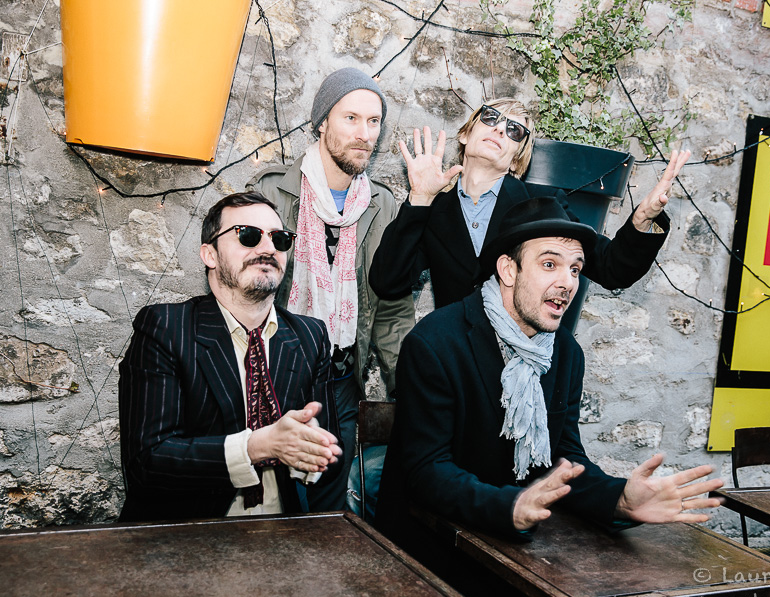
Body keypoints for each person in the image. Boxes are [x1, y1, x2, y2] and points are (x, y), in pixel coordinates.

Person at [375, 196, 723, 554]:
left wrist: (619, 500)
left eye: (575, 269)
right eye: (549, 264)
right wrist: (510, 506)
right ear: (508, 270)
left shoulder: (566, 353)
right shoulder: (435, 343)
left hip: (517, 548)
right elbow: (427, 471)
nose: (567, 282)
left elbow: (564, 458)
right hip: (429, 549)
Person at [247, 67, 415, 514]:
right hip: (274, 373)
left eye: (374, 121)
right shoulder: (272, 192)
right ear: (322, 122)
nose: (364, 134)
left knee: (330, 503)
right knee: (272, 500)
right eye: (351, 118)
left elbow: (391, 308)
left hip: (340, 379)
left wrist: (410, 390)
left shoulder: (381, 205)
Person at [119, 191, 343, 523]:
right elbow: (147, 463)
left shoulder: (310, 335)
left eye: (279, 239)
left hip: (281, 529)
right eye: (248, 235)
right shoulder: (166, 328)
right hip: (188, 532)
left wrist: (310, 449)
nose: (267, 248)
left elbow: (332, 460)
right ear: (209, 254)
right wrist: (258, 447)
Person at [369, 97, 690, 309]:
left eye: (515, 130)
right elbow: (388, 282)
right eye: (490, 117)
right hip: (453, 367)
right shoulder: (435, 210)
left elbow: (611, 268)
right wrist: (420, 198)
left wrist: (643, 219)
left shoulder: (543, 205)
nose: (499, 128)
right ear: (465, 134)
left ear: (516, 159)